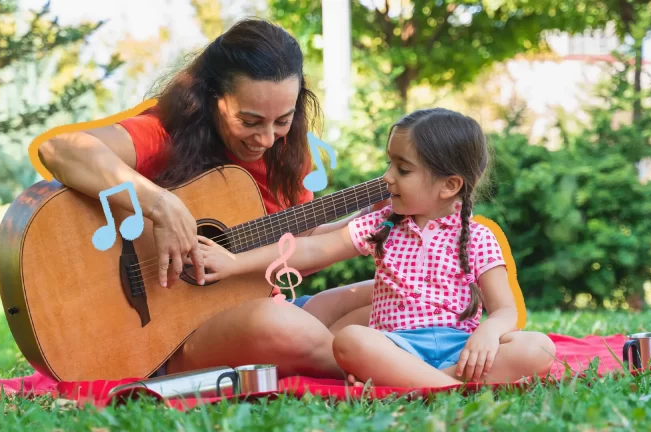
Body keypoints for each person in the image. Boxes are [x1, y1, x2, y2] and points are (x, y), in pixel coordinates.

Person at [37, 18, 379, 379]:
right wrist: (161, 207)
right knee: (277, 323)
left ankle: (361, 355)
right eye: (249, 121)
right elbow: (59, 150)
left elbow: (297, 248)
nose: (265, 138)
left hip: (253, 312)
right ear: (213, 98)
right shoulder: (166, 132)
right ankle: (368, 363)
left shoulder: (288, 151)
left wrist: (362, 225)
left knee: (381, 293)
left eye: (282, 120)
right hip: (169, 338)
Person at [190, 108, 557, 388]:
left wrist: (488, 334)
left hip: (459, 350)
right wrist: (234, 262)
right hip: (394, 348)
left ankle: (426, 384)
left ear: (449, 185)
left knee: (539, 347)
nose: (386, 178)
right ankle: (448, 390)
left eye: (403, 169)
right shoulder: (381, 225)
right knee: (350, 341)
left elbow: (505, 310)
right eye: (389, 164)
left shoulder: (478, 236)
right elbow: (311, 251)